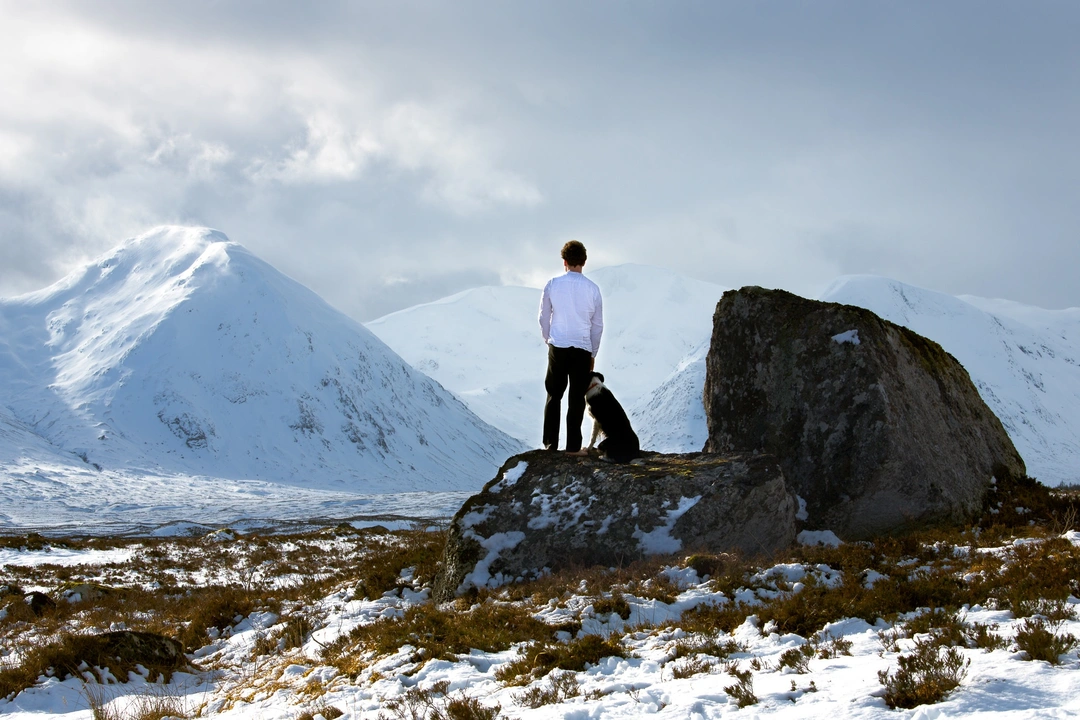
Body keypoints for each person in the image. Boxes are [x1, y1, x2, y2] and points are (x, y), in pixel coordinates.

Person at [538, 240, 603, 455]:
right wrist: (593, 352)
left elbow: (543, 316)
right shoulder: (593, 289)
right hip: (583, 347)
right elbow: (597, 325)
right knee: (576, 398)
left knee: (553, 394)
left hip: (559, 344)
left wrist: (549, 338)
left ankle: (550, 445)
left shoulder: (553, 284)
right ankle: (573, 447)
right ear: (584, 261)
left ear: (564, 261)